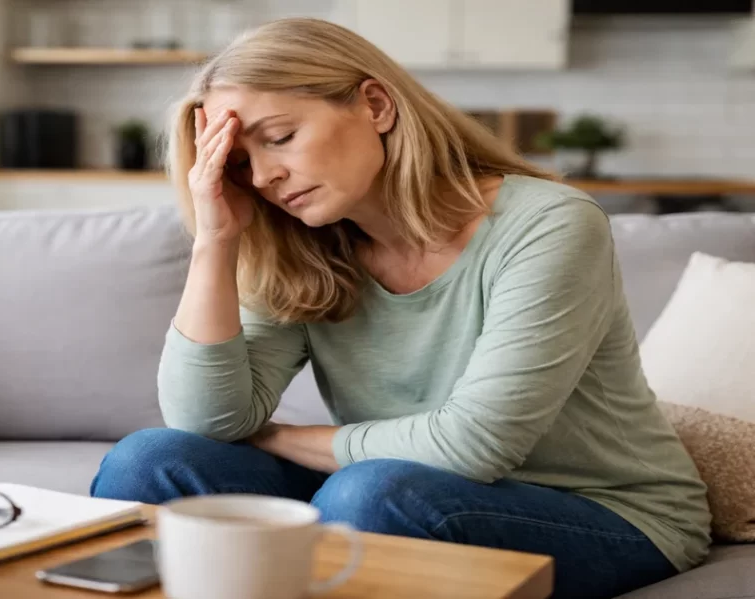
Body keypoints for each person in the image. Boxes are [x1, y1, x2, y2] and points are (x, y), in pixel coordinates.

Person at [89, 16, 710, 599]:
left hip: (604, 512)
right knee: (152, 461)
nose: (265, 178)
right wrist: (216, 240)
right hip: (397, 486)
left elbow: (472, 446)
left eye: (280, 137)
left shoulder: (549, 225)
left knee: (369, 496)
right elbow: (206, 421)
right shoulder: (304, 246)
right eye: (242, 163)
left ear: (376, 105)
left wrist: (273, 435)